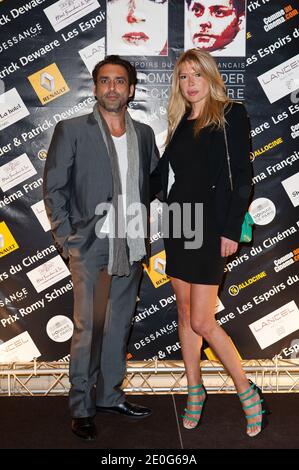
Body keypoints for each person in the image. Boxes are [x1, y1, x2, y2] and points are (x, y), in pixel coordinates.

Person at [150, 48, 270, 437]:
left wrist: (230, 229)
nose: (190, 83)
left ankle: (245, 389)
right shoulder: (181, 120)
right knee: (184, 315)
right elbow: (164, 179)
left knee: (203, 319)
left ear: (210, 76)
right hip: (179, 225)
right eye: (183, 76)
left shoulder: (230, 113)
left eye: (196, 75)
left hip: (211, 226)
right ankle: (195, 389)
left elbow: (243, 176)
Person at [43, 55, 159, 441]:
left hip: (131, 245)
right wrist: (67, 240)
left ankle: (109, 395)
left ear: (131, 89)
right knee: (88, 329)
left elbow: (152, 183)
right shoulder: (72, 129)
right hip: (90, 247)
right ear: (95, 87)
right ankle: (81, 405)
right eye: (105, 81)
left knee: (117, 328)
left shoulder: (143, 134)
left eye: (120, 81)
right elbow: (55, 189)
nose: (112, 87)